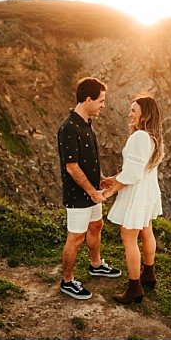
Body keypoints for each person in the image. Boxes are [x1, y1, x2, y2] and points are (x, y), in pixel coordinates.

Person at [57, 77, 122, 300]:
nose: (103, 105)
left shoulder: (86, 125)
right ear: (87, 99)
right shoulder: (68, 128)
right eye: (101, 100)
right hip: (78, 195)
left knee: (96, 226)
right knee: (75, 239)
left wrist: (101, 178)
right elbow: (72, 167)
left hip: (92, 191)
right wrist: (92, 192)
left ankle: (96, 265)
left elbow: (88, 160)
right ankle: (67, 281)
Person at [102, 95, 165, 304]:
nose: (129, 114)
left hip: (137, 193)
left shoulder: (139, 137)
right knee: (147, 231)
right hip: (147, 191)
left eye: (133, 111)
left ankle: (134, 286)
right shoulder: (153, 137)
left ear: (144, 114)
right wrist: (113, 179)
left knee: (129, 237)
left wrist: (111, 190)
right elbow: (137, 170)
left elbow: (132, 174)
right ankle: (149, 274)